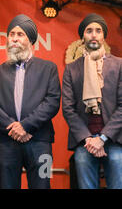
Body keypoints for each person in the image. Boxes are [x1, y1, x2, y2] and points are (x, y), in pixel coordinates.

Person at [0, 14, 61, 189]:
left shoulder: (48, 68)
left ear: (31, 40)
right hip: (7, 141)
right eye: (12, 34)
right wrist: (13, 127)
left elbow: (52, 101)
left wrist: (26, 126)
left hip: (40, 141)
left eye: (20, 35)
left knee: (42, 185)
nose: (14, 39)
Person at [62, 13, 122, 189]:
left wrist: (102, 139)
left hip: (114, 139)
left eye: (98, 31)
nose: (94, 34)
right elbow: (68, 108)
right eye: (89, 31)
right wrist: (89, 139)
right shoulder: (72, 69)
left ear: (104, 36)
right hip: (85, 141)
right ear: (83, 37)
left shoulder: (119, 65)